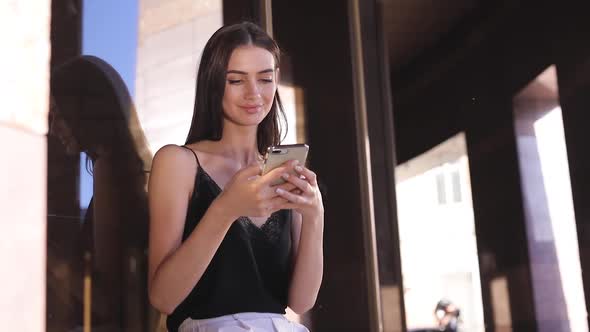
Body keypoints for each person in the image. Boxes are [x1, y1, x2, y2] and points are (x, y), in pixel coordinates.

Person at [148, 22, 324, 332]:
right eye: (236, 80)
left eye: (265, 79)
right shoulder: (178, 163)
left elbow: (301, 301)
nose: (254, 93)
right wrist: (226, 208)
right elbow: (163, 298)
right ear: (214, 83)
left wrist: (314, 217)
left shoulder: (280, 170)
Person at [49, 55, 153, 332]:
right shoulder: (128, 168)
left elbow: (106, 298)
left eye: (60, 115)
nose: (54, 127)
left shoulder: (110, 169)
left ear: (83, 110)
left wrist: (50, 260)